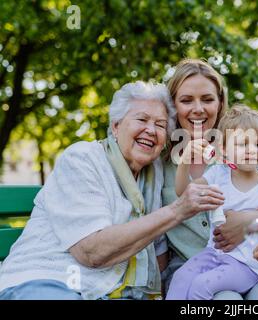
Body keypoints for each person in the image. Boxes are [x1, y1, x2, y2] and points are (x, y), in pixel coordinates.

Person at [0, 81, 224, 300]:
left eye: (160, 124)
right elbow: (91, 252)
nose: (151, 130)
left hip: (115, 293)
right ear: (116, 126)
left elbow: (159, 256)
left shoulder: (153, 175)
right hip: (51, 283)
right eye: (142, 119)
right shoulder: (82, 159)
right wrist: (177, 210)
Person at [162, 58, 258, 300]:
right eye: (186, 100)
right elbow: (184, 194)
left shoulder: (250, 153)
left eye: (208, 99)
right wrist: (184, 162)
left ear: (220, 103)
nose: (198, 108)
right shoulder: (162, 163)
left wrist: (250, 222)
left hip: (257, 262)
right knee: (223, 299)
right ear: (173, 106)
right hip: (201, 263)